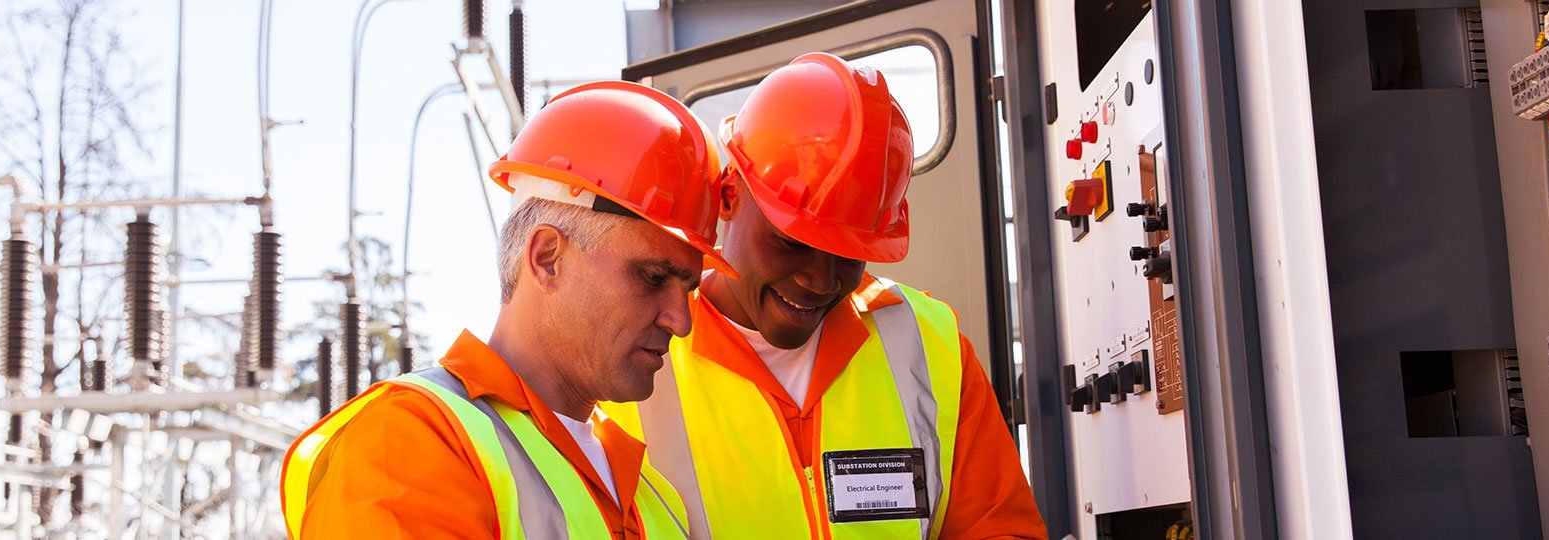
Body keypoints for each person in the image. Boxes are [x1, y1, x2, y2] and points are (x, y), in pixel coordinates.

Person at [599, 52, 1046, 539]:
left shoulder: (931, 348)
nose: (821, 280)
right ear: (729, 196)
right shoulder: (632, 370)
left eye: (849, 253)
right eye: (793, 243)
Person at [280, 80, 732, 540]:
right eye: (653, 278)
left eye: (688, 288)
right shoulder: (410, 445)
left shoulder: (653, 498)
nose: (681, 320)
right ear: (546, 258)